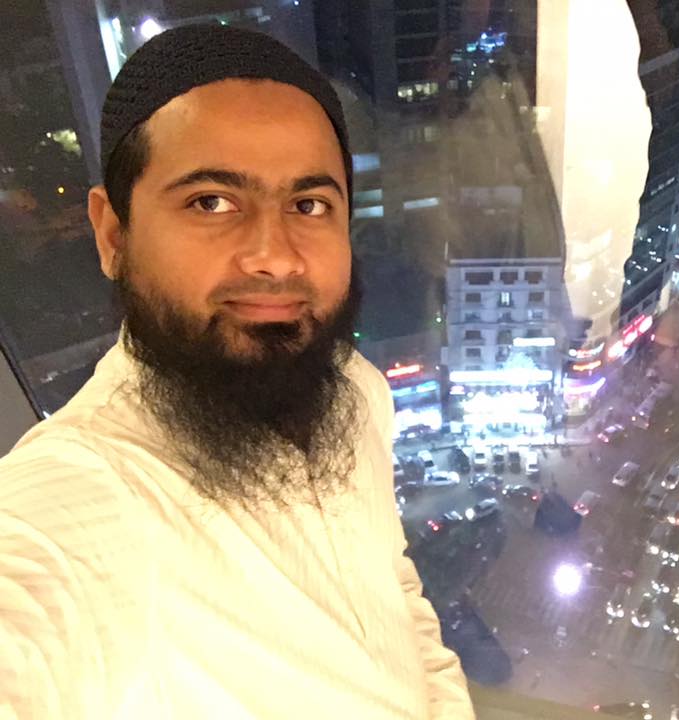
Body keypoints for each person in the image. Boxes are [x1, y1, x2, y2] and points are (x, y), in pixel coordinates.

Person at [0, 24, 474, 719]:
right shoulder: (89, 490)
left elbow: (396, 589)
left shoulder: (359, 391)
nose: (275, 257)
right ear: (113, 233)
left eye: (309, 205)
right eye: (211, 201)